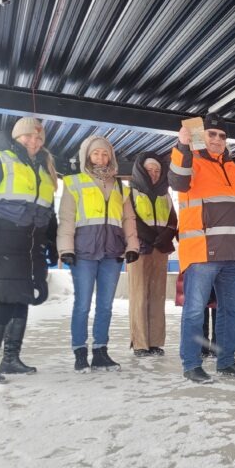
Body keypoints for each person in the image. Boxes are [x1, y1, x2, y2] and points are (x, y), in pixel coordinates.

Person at [0, 117, 58, 383]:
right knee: (5, 302)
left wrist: (51, 243)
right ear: (17, 137)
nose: (34, 141)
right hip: (4, 241)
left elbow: (48, 212)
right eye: (28, 136)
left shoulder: (43, 169)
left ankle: (10, 360)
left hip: (31, 246)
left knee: (22, 300)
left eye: (39, 138)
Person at [169, 113, 235, 383]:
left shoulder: (232, 167)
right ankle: (191, 364)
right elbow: (177, 181)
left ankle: (226, 361)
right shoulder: (190, 160)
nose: (217, 139)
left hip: (233, 253)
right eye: (212, 134)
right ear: (201, 135)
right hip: (201, 252)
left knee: (231, 310)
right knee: (195, 312)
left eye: (222, 136)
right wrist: (182, 145)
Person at [57, 135, 139, 373]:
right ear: (87, 156)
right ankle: (80, 352)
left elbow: (128, 219)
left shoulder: (120, 186)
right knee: (82, 305)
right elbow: (67, 218)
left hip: (112, 252)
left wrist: (132, 246)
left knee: (105, 306)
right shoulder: (74, 182)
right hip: (83, 252)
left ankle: (101, 351)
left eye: (105, 154)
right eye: (96, 153)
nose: (101, 158)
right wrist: (66, 249)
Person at [128, 152, 177, 357]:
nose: (154, 174)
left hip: (160, 249)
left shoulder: (166, 194)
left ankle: (155, 341)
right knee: (139, 295)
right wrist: (152, 236)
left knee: (158, 296)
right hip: (139, 249)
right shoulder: (130, 192)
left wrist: (166, 236)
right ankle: (140, 343)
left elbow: (173, 220)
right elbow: (129, 219)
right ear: (142, 171)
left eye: (157, 170)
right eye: (150, 170)